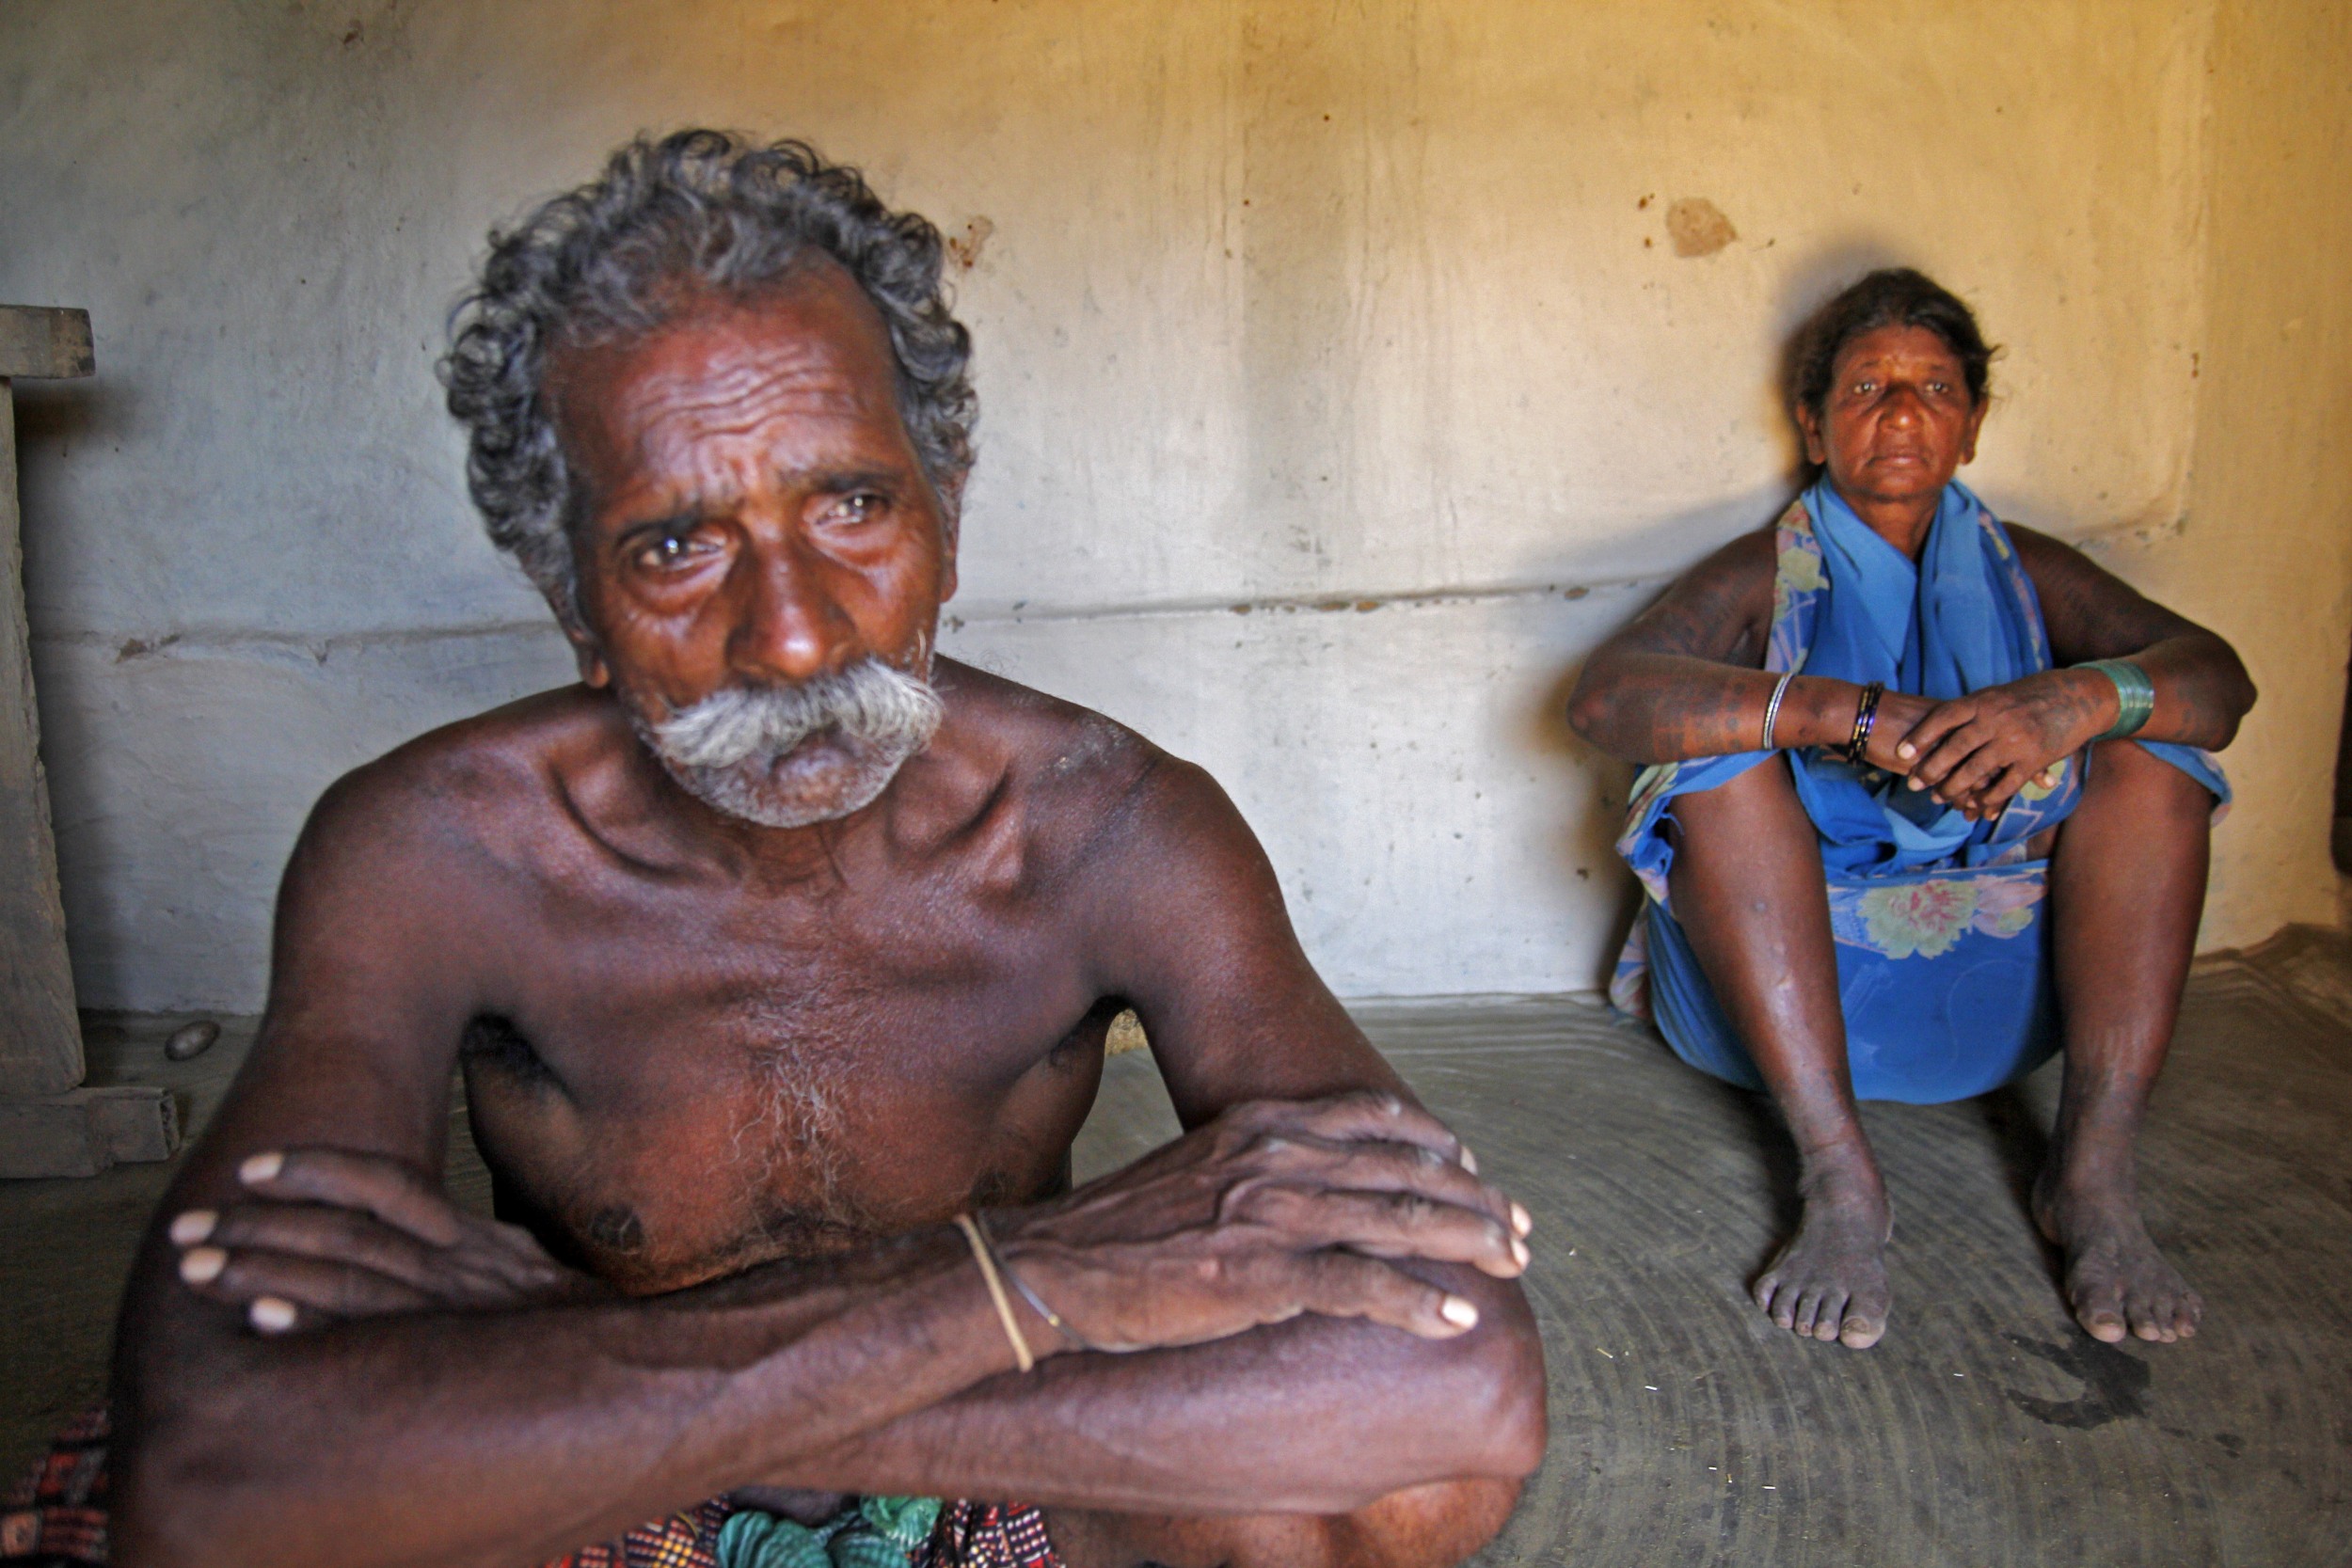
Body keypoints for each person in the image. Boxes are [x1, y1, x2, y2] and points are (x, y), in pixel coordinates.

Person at [8, 131, 1546, 1568]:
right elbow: (206, 1463)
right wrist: (1041, 1275)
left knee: (1399, 1477)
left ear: (945, 519)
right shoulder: (437, 848)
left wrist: (689, 1380)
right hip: (590, 1466)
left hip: (813, 1426)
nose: (795, 636)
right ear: (571, 601)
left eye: (855, 506)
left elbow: (1466, 1383)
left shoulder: (1109, 823)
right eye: (677, 545)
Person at [1567, 268, 2254, 1354]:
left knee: (2158, 745)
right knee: (1710, 765)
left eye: (1934, 388)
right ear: (1812, 422)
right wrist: (1840, 714)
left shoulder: (2027, 569)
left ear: (1972, 425)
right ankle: (1841, 1179)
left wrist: (2070, 698)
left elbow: (2219, 680)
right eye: (1866, 387)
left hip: (2006, 1003)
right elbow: (1607, 696)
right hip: (1789, 1008)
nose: (1899, 413)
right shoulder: (1770, 571)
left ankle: (2092, 1176)